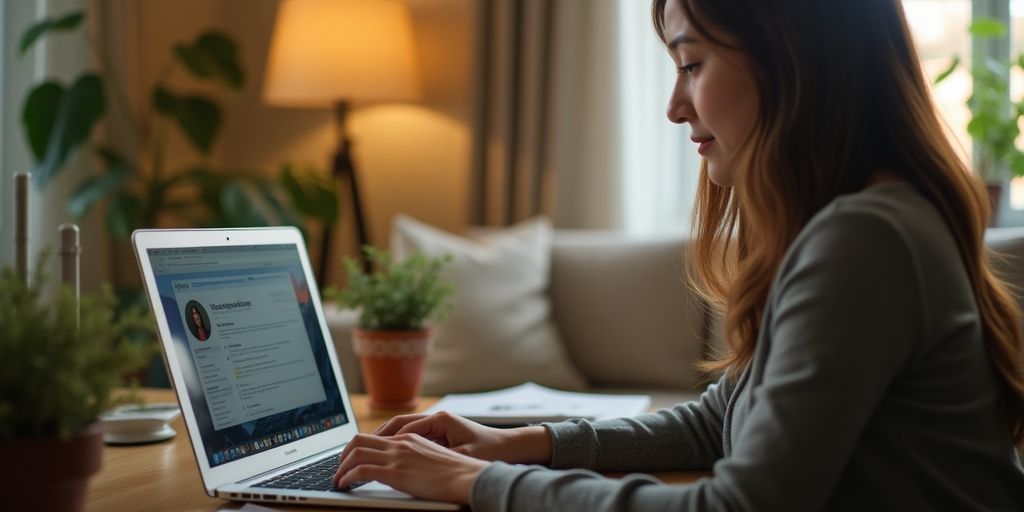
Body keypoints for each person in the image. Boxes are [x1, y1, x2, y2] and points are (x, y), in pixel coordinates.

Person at [332, 0, 1024, 509]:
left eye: (692, 64)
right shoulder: (853, 225)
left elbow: (740, 506)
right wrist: (514, 442)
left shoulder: (866, 240)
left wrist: (473, 482)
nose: (673, 105)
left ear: (794, 60)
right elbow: (718, 417)